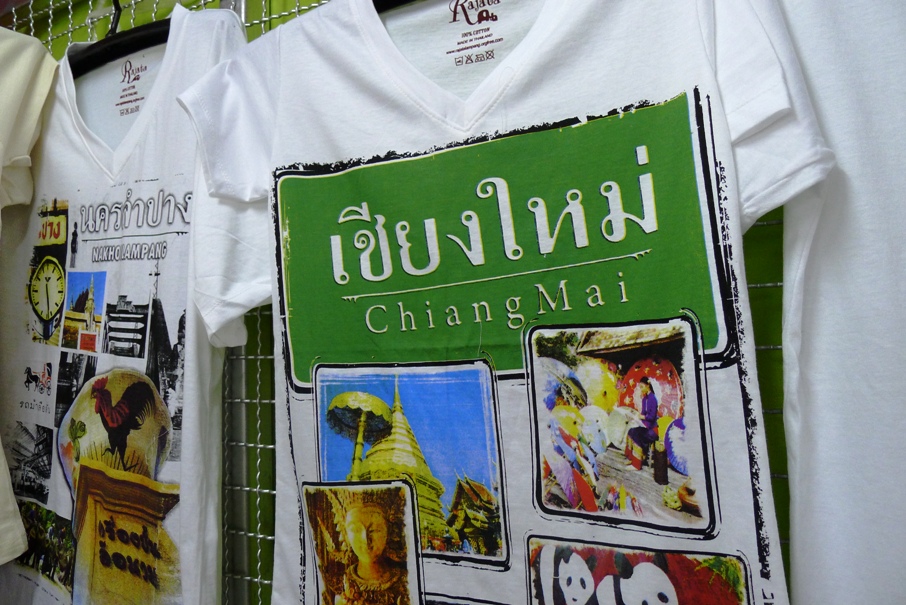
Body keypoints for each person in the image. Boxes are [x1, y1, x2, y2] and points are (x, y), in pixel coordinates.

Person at [336, 500, 409, 605]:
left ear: (389, 531)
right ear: (345, 534)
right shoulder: (336, 584)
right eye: (356, 530)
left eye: (375, 530)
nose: (366, 540)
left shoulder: (406, 582)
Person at [626, 377, 659, 464]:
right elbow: (643, 413)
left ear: (648, 386)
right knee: (631, 431)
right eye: (640, 387)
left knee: (637, 434)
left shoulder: (653, 399)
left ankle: (637, 463)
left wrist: (642, 417)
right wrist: (635, 417)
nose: (641, 389)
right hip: (645, 426)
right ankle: (631, 458)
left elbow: (652, 417)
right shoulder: (644, 399)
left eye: (642, 387)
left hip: (652, 429)